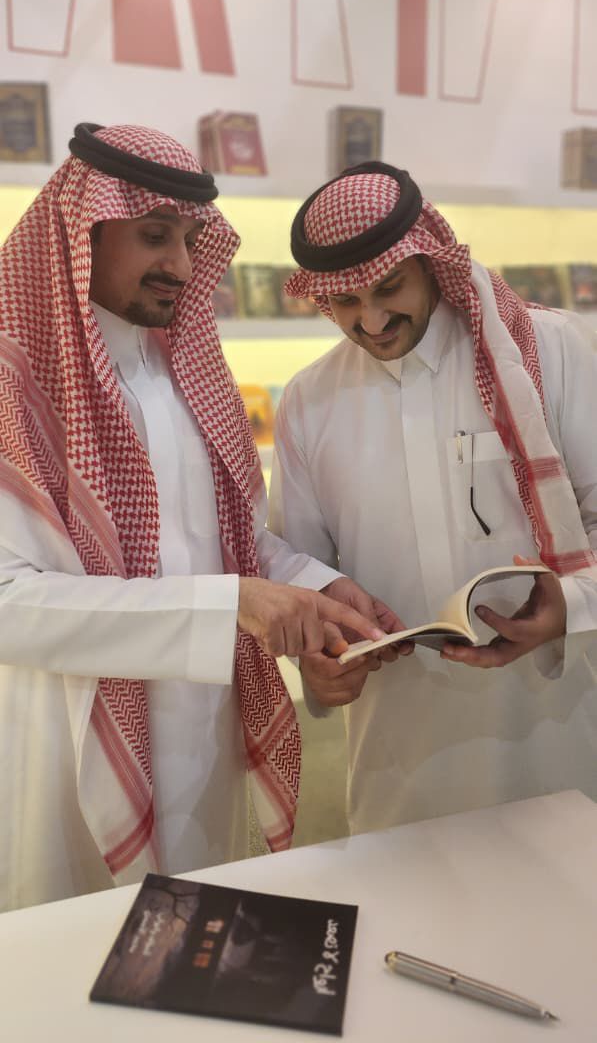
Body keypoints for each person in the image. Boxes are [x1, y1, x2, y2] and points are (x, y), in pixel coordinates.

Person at [0, 123, 390, 912]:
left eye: (190, 240)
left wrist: (317, 585)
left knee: (194, 936)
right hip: (66, 747)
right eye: (154, 236)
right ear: (82, 233)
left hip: (201, 729)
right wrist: (229, 606)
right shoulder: (15, 383)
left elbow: (225, 537)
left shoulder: (179, 367)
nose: (180, 266)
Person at [269, 160, 597, 837]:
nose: (372, 320)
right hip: (400, 754)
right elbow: (299, 569)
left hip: (559, 728)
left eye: (389, 288)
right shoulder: (308, 399)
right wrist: (318, 665)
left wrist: (571, 604)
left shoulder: (550, 350)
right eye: (344, 302)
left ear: (428, 263)